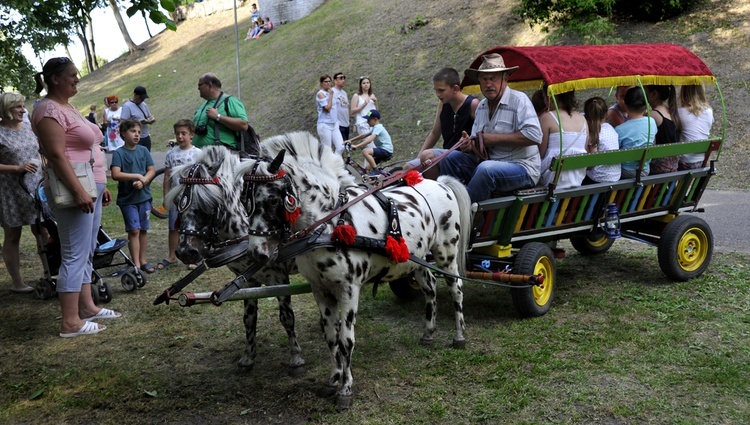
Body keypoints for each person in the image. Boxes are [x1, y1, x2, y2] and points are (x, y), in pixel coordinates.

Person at [31, 57, 120, 338]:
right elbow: (57, 155)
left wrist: (99, 185)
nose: (77, 79)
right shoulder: (47, 110)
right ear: (54, 78)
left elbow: (88, 147)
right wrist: (80, 190)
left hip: (91, 185)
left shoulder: (67, 107)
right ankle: (70, 322)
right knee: (73, 253)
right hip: (74, 189)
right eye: (72, 75)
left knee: (87, 250)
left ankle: (88, 307)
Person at [439, 53, 542, 202]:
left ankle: (462, 211)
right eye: (484, 79)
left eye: (493, 78)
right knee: (448, 158)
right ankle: (453, 201)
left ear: (505, 79)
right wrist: (469, 145)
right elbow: (477, 144)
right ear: (479, 81)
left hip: (522, 168)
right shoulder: (481, 107)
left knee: (486, 170)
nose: (488, 84)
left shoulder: (519, 100)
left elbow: (535, 135)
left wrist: (492, 139)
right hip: (489, 164)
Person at [0, 92, 46, 293]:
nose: (22, 110)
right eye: (17, 107)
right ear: (5, 110)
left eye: (22, 105)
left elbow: (39, 151)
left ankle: (49, 272)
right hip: (10, 189)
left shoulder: (28, 126)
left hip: (36, 186)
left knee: (42, 230)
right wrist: (17, 169)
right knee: (12, 235)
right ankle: (18, 283)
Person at [402, 67, 479, 179]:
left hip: (465, 156)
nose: (438, 94)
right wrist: (417, 159)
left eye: (441, 90)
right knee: (408, 167)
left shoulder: (473, 104)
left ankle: (437, 193)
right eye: (436, 90)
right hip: (446, 152)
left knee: (427, 156)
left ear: (456, 88)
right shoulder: (443, 104)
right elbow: (434, 134)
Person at [111, 118, 156, 274]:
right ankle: (135, 263)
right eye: (133, 131)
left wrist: (143, 182)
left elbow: (151, 170)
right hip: (128, 200)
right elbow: (115, 174)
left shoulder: (143, 150)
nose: (137, 135)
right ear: (123, 133)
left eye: (139, 132)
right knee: (134, 230)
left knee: (143, 229)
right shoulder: (119, 153)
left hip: (144, 197)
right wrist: (136, 176)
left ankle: (143, 260)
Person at [159, 119, 201, 271]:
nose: (180, 137)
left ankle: (195, 256)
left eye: (184, 133)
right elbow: (167, 176)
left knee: (193, 227)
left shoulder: (198, 153)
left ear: (191, 135)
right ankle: (172, 255)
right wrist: (166, 196)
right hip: (176, 196)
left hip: (193, 197)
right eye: (177, 134)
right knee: (173, 226)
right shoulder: (171, 153)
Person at [538, 90, 588, 189]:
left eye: (544, 97)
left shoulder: (547, 117)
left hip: (553, 181)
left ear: (550, 98)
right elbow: (584, 150)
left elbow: (540, 153)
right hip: (577, 179)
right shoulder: (583, 119)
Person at [192, 73, 249, 150]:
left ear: (209, 85)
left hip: (222, 155)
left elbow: (243, 125)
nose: (198, 88)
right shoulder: (202, 106)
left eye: (200, 85)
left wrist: (218, 117)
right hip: (200, 155)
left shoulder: (230, 101)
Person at [616, 87, 657, 178]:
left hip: (626, 171)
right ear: (646, 106)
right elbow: (653, 143)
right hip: (645, 169)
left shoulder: (620, 129)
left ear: (625, 106)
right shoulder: (651, 122)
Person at [583, 96, 620, 184]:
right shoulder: (611, 128)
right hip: (616, 176)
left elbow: (592, 164)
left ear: (585, 116)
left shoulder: (593, 133)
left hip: (597, 179)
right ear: (607, 114)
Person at [677, 84, 714, 170]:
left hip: (683, 162)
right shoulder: (709, 111)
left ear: (683, 92)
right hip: (701, 162)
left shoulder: (679, 112)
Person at [646, 85, 681, 174]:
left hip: (659, 166)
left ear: (654, 94)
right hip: (673, 165)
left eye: (645, 91)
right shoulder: (671, 111)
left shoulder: (653, 115)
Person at [120, 86, 156, 152]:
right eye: (140, 97)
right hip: (134, 137)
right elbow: (123, 122)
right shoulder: (127, 106)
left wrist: (151, 119)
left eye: (143, 98)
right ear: (135, 95)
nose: (142, 100)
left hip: (146, 135)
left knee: (146, 157)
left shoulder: (144, 105)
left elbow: (148, 116)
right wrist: (138, 122)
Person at [315, 75, 345, 155]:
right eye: (325, 82)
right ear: (321, 83)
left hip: (334, 123)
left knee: (341, 147)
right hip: (325, 124)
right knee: (327, 149)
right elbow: (327, 108)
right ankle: (326, 165)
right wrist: (331, 96)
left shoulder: (331, 91)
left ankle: (334, 164)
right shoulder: (320, 94)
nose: (328, 83)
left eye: (329, 81)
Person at [332, 72, 350, 141]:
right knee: (341, 146)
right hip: (338, 124)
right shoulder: (332, 92)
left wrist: (349, 119)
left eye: (344, 78)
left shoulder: (344, 93)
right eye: (341, 78)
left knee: (345, 145)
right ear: (335, 81)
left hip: (346, 123)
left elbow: (347, 106)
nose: (343, 80)